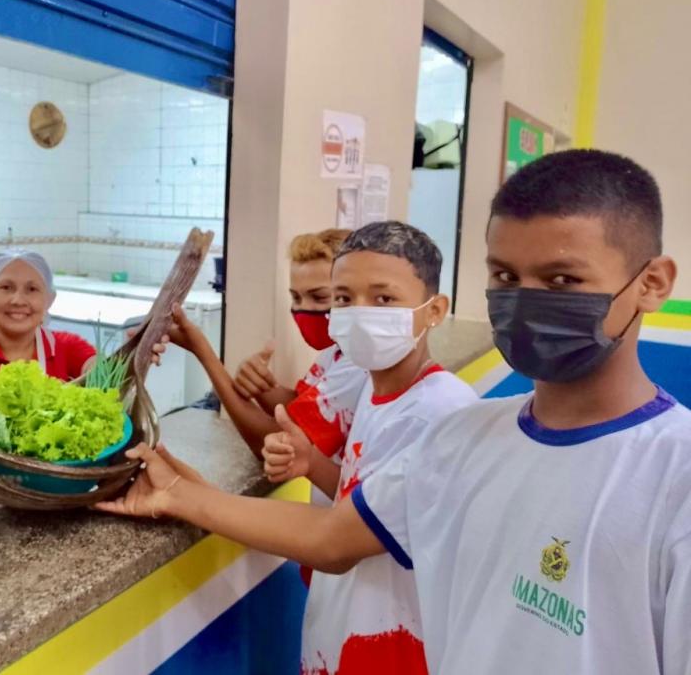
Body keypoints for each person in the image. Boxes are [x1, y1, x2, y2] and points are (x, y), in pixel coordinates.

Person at [98, 150, 691, 674]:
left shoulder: (675, 479)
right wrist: (178, 491)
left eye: (561, 280)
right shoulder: (467, 437)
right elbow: (334, 536)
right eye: (506, 277)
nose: (526, 302)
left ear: (653, 282)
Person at [108, 221, 478, 673]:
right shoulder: (376, 390)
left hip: (392, 652)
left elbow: (334, 542)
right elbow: (362, 502)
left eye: (383, 299)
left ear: (434, 309)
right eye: (343, 298)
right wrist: (312, 464)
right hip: (341, 633)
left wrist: (179, 496)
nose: (358, 313)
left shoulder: (442, 412)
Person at [170, 229, 367, 468]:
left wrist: (202, 351)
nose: (304, 308)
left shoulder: (358, 365)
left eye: (319, 297)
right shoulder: (335, 350)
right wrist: (262, 385)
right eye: (296, 298)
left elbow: (272, 446)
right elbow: (299, 408)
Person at [0, 250, 166, 424]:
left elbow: (107, 379)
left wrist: (137, 354)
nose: (18, 300)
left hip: (46, 480)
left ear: (49, 300)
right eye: (6, 287)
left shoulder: (67, 346)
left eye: (32, 289)